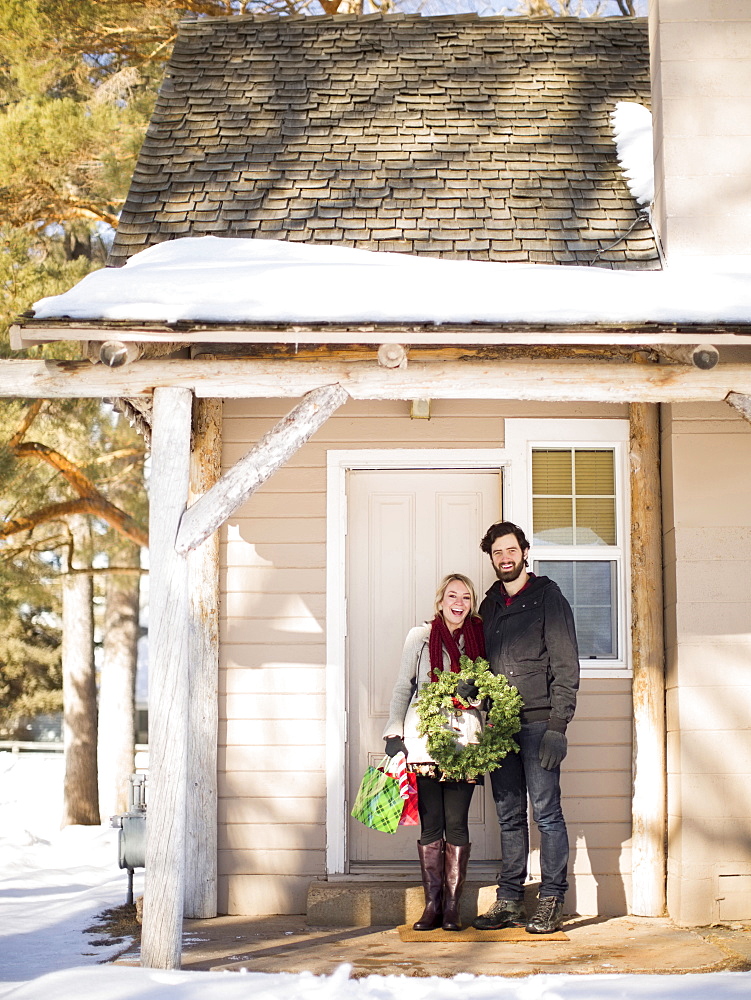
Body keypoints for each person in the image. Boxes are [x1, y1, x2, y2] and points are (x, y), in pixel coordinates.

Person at [472, 521, 579, 935]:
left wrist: (558, 725)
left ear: (524, 551)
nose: (505, 558)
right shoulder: (490, 605)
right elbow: (483, 662)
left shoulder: (547, 596)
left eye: (510, 550)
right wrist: (473, 688)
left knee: (548, 815)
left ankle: (551, 899)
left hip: (538, 725)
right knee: (510, 816)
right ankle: (510, 900)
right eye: (497, 553)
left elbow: (566, 664)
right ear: (492, 557)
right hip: (500, 726)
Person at [383, 573, 486, 932]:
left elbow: (486, 694)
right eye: (453, 595)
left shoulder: (478, 638)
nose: (460, 602)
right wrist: (394, 730)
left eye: (467, 598)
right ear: (441, 600)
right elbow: (403, 685)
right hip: (423, 739)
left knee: (456, 823)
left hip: (464, 739)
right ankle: (432, 906)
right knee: (432, 825)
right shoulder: (421, 637)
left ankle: (453, 909)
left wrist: (473, 692)